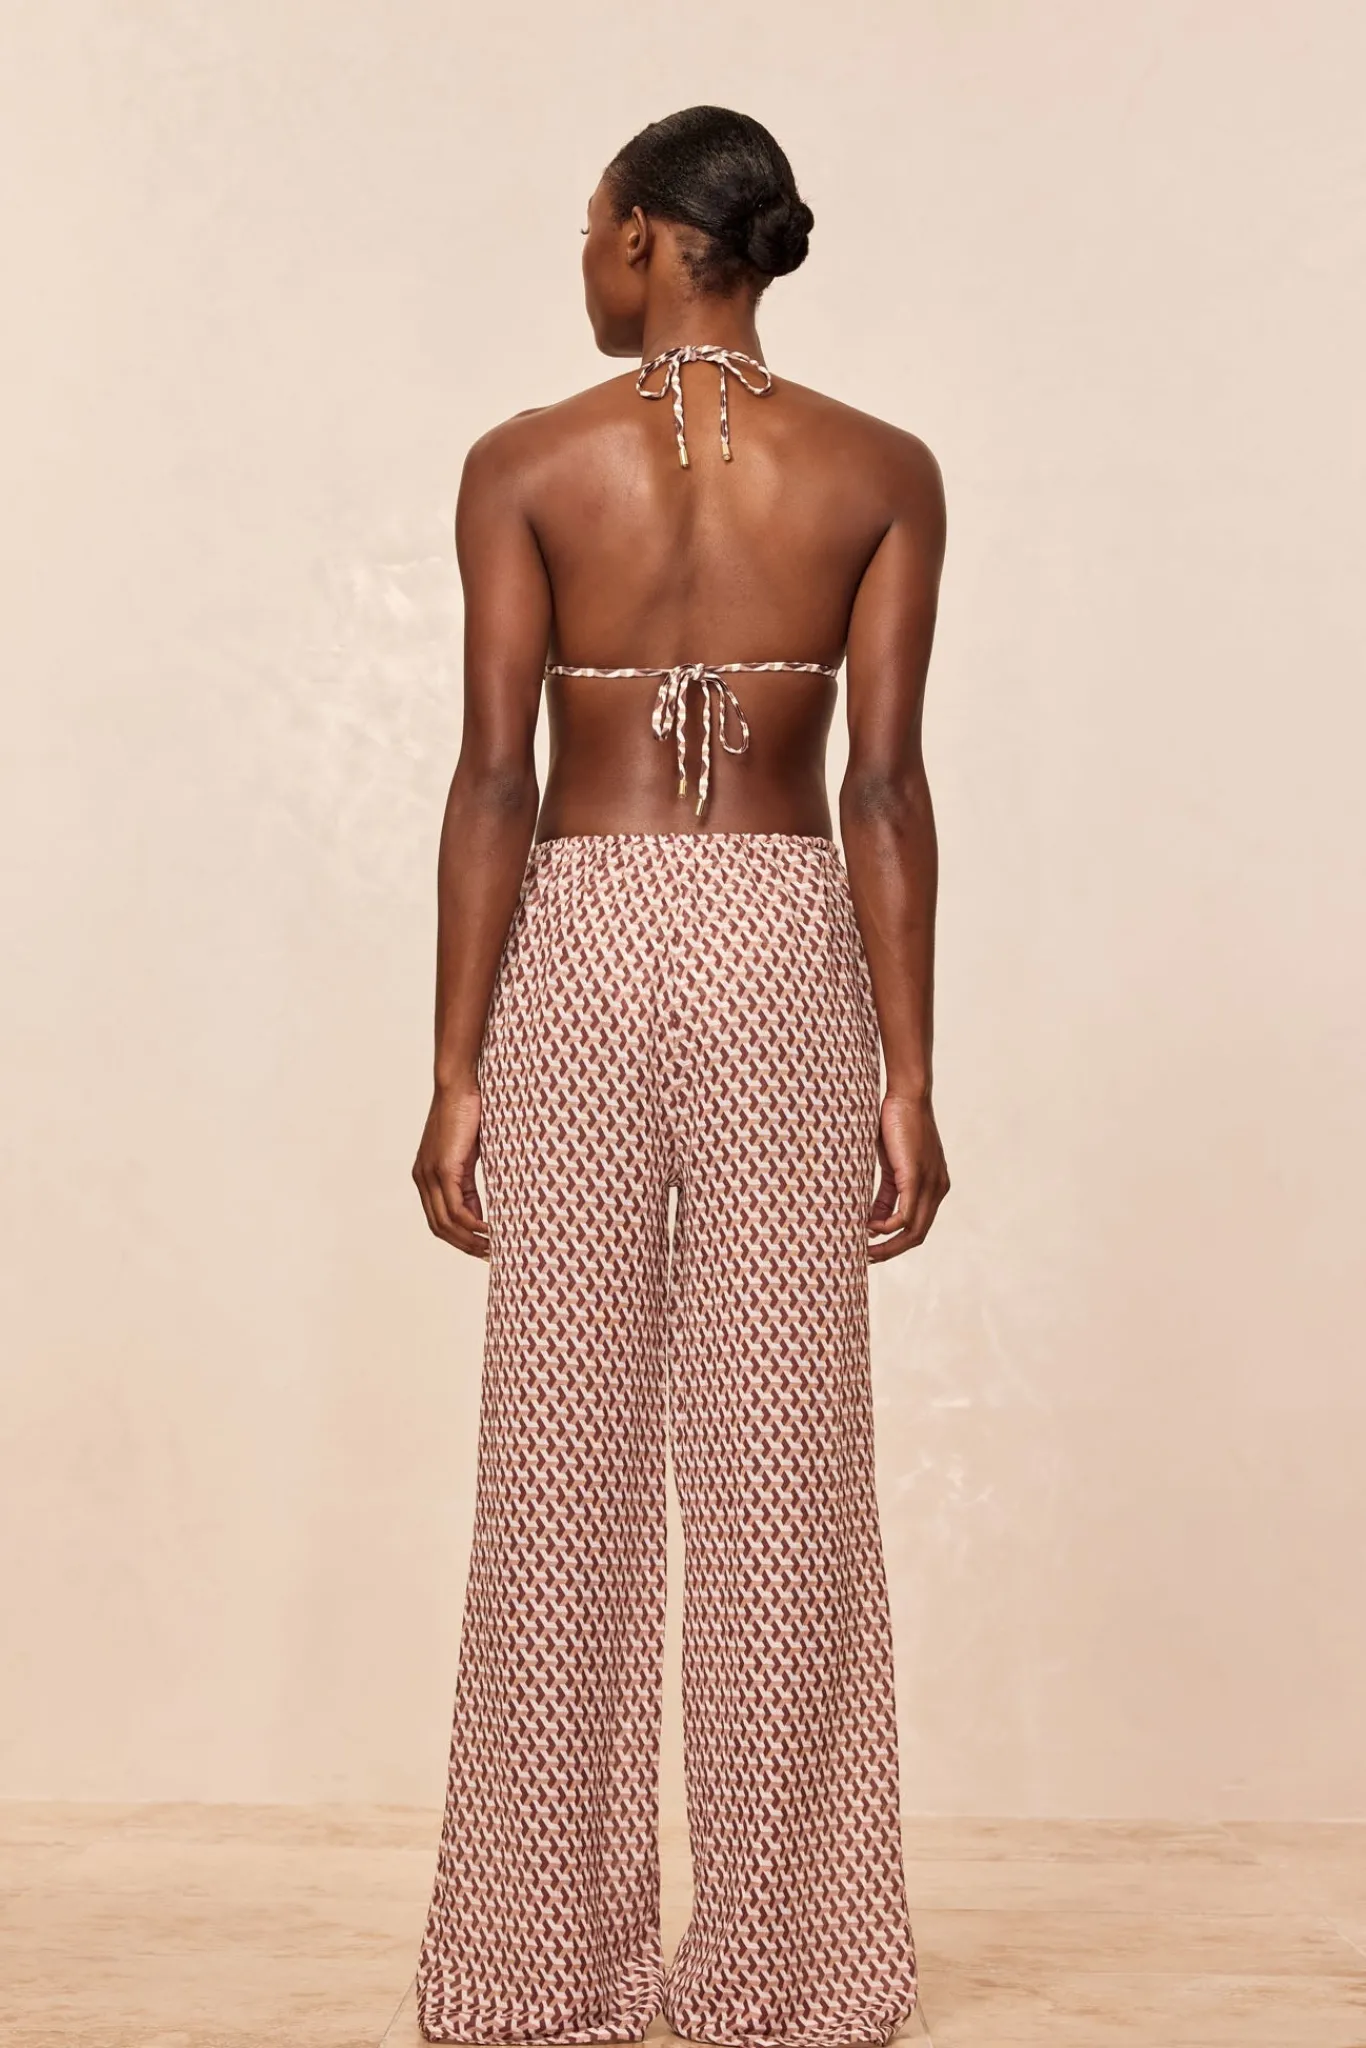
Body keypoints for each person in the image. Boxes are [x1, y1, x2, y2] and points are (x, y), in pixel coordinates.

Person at [411, 104, 949, 2048]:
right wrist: (907, 1070)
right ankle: (789, 1974)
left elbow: (495, 777)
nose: (582, 258)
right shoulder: (879, 468)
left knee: (556, 1458)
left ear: (646, 237)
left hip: (578, 939)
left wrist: (454, 1065)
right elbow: (882, 784)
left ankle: (535, 1967)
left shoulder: (525, 462)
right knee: (784, 1463)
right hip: (786, 949)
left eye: (591, 225)